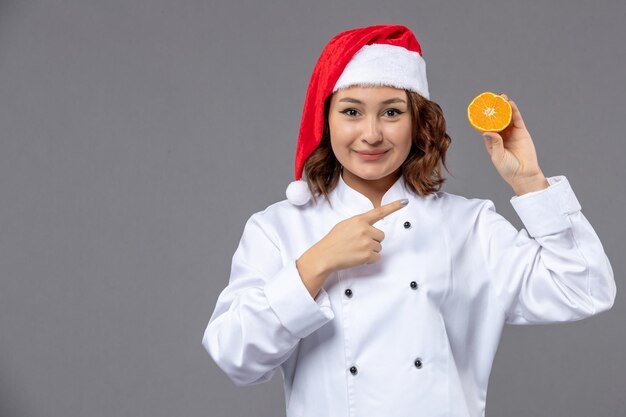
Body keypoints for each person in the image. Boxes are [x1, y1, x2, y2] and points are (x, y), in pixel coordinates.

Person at [201, 24, 616, 417]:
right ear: (326, 121)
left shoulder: (468, 226)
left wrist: (531, 183)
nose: (371, 134)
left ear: (418, 123)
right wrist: (314, 265)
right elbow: (235, 357)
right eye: (351, 111)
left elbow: (584, 288)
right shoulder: (278, 228)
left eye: (392, 113)